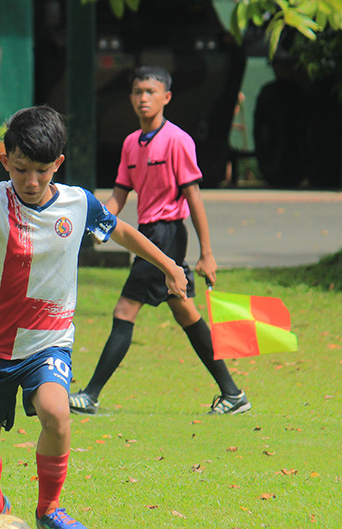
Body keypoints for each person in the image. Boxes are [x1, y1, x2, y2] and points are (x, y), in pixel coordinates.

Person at [0, 105, 187, 529]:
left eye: (40, 171)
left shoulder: (77, 202)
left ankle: (49, 507)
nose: (31, 182)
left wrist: (168, 263)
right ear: (5, 162)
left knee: (56, 412)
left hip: (48, 342)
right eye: (20, 170)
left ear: (58, 163)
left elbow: (121, 232)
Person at [68, 65, 250, 417]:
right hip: (149, 234)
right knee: (186, 313)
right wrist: (96, 223)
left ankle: (90, 395)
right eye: (138, 92)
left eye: (151, 92)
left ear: (166, 97)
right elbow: (120, 196)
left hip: (166, 234)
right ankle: (233, 393)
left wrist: (207, 254)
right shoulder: (130, 144)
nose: (143, 98)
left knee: (125, 310)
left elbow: (194, 199)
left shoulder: (178, 140)